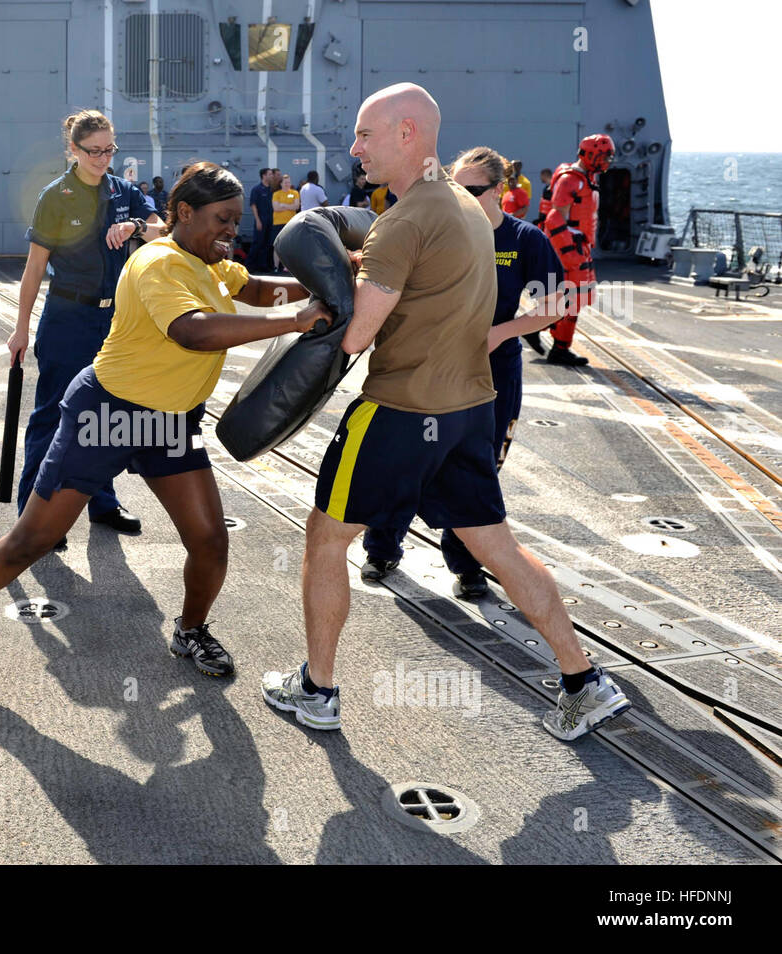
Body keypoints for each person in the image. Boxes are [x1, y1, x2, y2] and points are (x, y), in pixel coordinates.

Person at [261, 83, 632, 742]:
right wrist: (367, 265)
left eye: (366, 134)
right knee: (499, 548)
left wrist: (313, 304)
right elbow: (423, 279)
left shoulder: (401, 221)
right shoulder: (464, 206)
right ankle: (585, 681)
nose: (355, 148)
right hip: (469, 409)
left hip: (402, 409)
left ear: (408, 133)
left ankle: (317, 691)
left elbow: (353, 338)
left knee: (325, 539)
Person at [0, 162, 325, 685]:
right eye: (223, 219)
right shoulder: (158, 263)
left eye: (236, 221)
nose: (233, 231)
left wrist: (326, 278)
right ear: (184, 213)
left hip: (167, 422)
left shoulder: (211, 262)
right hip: (106, 415)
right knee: (29, 541)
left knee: (210, 540)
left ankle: (190, 630)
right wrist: (297, 320)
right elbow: (193, 331)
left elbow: (256, 289)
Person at [359, 145, 571, 602]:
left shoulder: (524, 240)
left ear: (499, 190)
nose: (463, 197)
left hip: (492, 374)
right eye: (456, 187)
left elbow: (557, 304)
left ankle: (466, 562)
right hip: (427, 370)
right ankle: (381, 547)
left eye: (474, 189)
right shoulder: (435, 229)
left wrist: (502, 332)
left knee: (476, 470)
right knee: (403, 461)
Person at [7, 110, 165, 550]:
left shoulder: (124, 190)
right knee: (52, 415)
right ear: (73, 151)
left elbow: (161, 228)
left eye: (109, 149)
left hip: (114, 320)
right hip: (67, 317)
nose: (102, 158)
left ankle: (103, 502)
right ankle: (32, 517)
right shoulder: (55, 196)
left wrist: (133, 225)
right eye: (93, 151)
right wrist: (21, 329)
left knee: (107, 416)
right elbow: (35, 268)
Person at [537, 134, 615, 366]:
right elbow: (554, 218)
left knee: (575, 300)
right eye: (603, 156)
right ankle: (554, 345)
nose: (606, 161)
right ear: (590, 155)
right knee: (571, 300)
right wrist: (569, 254)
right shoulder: (571, 180)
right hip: (570, 247)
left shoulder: (586, 178)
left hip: (580, 246)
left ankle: (556, 345)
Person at [248, 167, 276, 273]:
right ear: (264, 176)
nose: (271, 176)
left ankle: (262, 266)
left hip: (270, 220)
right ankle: (249, 265)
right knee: (257, 243)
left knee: (267, 244)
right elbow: (253, 205)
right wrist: (258, 220)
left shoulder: (271, 189)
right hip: (261, 219)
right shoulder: (257, 189)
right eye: (269, 174)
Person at [271, 173, 300, 273]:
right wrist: (289, 205)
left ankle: (287, 267)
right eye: (285, 182)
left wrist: (283, 205)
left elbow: (296, 206)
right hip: (278, 223)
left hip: (290, 223)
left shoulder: (295, 193)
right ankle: (276, 267)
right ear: (281, 184)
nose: (288, 184)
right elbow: (276, 208)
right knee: (277, 245)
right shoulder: (276, 194)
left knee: (289, 245)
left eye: (289, 182)